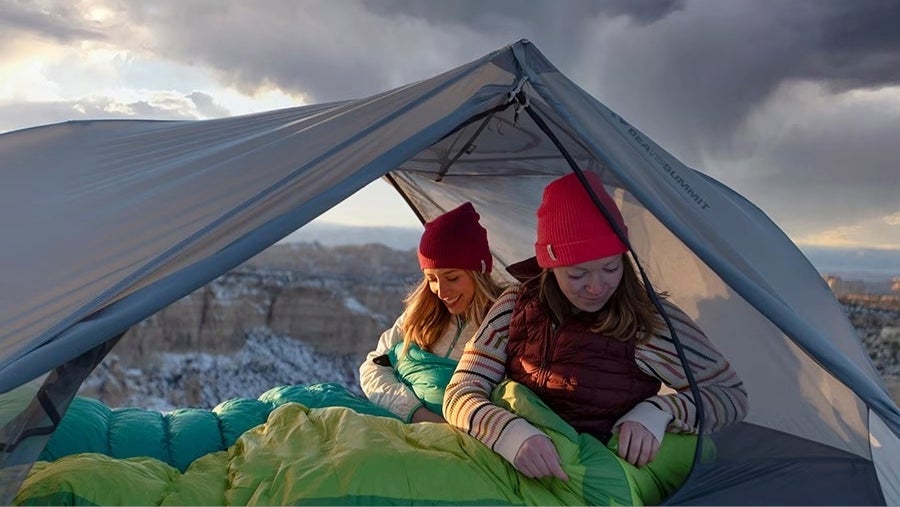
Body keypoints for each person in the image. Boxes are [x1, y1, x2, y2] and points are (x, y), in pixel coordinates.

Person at [443, 172, 748, 481]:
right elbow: (460, 391)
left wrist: (660, 411)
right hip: (507, 466)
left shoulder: (648, 322)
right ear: (549, 264)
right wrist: (507, 433)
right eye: (577, 274)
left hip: (592, 479)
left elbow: (731, 397)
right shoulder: (515, 305)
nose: (596, 287)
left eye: (611, 267)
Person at [360, 202, 505, 423]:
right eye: (431, 279)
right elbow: (373, 369)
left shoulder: (503, 322)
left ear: (480, 271)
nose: (441, 291)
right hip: (405, 424)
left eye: (452, 278)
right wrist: (416, 413)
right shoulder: (421, 313)